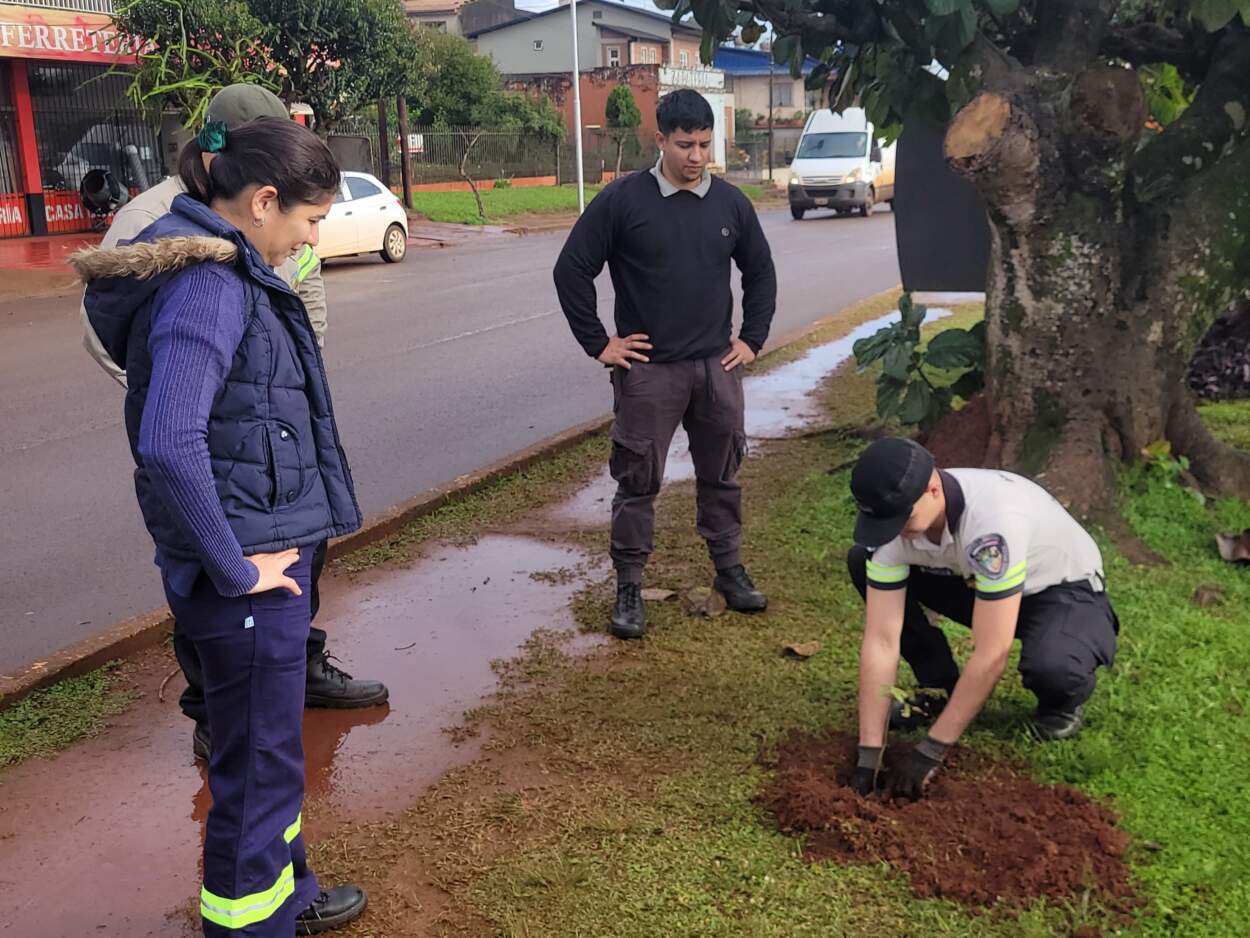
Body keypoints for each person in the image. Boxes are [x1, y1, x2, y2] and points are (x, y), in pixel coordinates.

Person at [74, 117, 368, 934]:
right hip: (247, 573)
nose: (312, 239)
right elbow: (170, 443)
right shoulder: (209, 283)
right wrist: (237, 570)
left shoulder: (235, 265)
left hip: (265, 549)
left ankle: (291, 895)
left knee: (270, 757)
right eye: (309, 221)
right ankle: (251, 922)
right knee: (258, 768)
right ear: (264, 201)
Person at [553, 89, 778, 639]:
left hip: (716, 368)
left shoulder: (730, 204)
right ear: (661, 140)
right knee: (638, 481)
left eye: (704, 144)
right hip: (650, 373)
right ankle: (629, 586)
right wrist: (600, 343)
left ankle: (729, 571)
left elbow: (761, 272)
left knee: (722, 474)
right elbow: (571, 271)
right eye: (685, 144)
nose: (696, 156)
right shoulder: (623, 201)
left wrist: (750, 340)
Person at [845, 438, 1119, 801]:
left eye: (903, 520)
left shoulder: (994, 525)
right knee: (862, 561)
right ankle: (939, 685)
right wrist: (869, 755)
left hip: (1059, 591)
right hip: (975, 581)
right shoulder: (895, 522)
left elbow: (992, 652)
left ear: (933, 488)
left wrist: (931, 752)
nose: (895, 533)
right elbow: (882, 641)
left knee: (1054, 667)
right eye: (886, 523)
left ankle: (1061, 702)